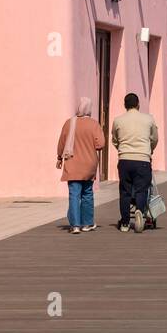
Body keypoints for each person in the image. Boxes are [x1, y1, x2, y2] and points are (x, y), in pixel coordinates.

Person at [56, 97, 106, 233]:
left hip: (72, 164)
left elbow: (61, 143)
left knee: (74, 194)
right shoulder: (94, 124)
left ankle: (75, 225)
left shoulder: (69, 123)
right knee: (87, 193)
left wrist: (59, 157)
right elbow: (100, 144)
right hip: (89, 164)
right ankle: (87, 223)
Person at [111, 92, 158, 233]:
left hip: (125, 159)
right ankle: (139, 210)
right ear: (138, 104)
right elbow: (154, 138)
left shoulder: (118, 120)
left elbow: (114, 139)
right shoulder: (149, 119)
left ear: (124, 105)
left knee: (125, 191)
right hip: (142, 159)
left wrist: (122, 149)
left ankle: (125, 223)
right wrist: (150, 150)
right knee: (142, 189)